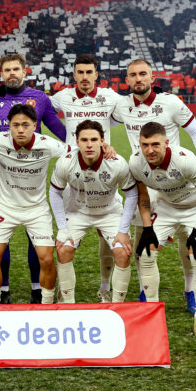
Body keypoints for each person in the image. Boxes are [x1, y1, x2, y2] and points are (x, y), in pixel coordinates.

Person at [0, 53, 67, 304]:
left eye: (15, 69)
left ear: (25, 71)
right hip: (1, 180)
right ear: (1, 74)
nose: (11, 73)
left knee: (37, 241)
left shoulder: (40, 99)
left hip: (33, 179)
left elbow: (60, 131)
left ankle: (37, 287)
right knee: (0, 242)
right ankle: (4, 288)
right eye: (6, 70)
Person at [112, 58, 196, 312]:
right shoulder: (122, 106)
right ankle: (146, 291)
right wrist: (105, 143)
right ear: (127, 80)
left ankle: (190, 289)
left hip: (174, 177)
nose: (138, 79)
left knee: (186, 241)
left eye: (143, 74)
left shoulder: (169, 102)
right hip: (144, 179)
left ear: (152, 78)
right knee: (142, 237)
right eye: (133, 75)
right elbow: (102, 121)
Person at [129, 122, 196, 336]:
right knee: (145, 254)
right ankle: (150, 311)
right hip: (167, 207)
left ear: (166, 143)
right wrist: (147, 228)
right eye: (145, 145)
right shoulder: (136, 163)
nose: (150, 150)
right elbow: (143, 196)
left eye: (155, 144)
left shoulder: (184, 160)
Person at [50, 54, 123, 302]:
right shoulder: (64, 96)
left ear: (96, 74)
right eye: (79, 72)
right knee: (67, 243)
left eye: (88, 72)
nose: (84, 77)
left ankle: (105, 287)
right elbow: (40, 108)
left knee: (107, 236)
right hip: (74, 174)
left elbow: (129, 113)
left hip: (103, 172)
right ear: (74, 74)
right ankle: (65, 293)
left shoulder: (110, 97)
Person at [49, 120, 137, 303]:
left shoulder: (117, 163)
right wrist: (62, 228)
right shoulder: (66, 162)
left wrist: (123, 231)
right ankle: (68, 303)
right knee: (64, 249)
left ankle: (116, 305)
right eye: (84, 140)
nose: (89, 144)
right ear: (77, 141)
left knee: (122, 252)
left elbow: (132, 195)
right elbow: (54, 192)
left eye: (94, 139)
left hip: (109, 213)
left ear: (102, 141)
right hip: (78, 212)